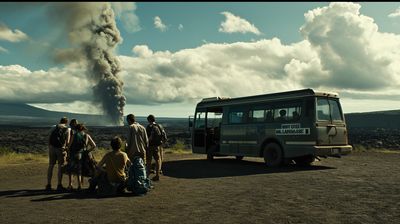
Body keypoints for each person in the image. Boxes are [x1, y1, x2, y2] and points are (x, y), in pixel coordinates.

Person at [67, 123, 96, 190]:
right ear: (83, 128)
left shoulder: (74, 135)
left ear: (76, 129)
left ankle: (70, 185)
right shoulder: (87, 135)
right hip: (83, 155)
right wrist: (87, 151)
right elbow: (94, 145)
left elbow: (69, 146)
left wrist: (68, 153)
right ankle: (80, 185)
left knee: (71, 170)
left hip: (74, 154)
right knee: (79, 170)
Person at [46, 117, 71, 192]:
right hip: (61, 149)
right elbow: (68, 141)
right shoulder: (68, 129)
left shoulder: (54, 127)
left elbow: (49, 138)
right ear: (66, 122)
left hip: (52, 148)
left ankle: (48, 185)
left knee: (51, 166)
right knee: (60, 167)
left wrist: (50, 147)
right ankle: (59, 185)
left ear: (60, 121)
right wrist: (66, 149)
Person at [146, 114, 165, 181]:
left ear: (149, 120)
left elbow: (148, 137)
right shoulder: (160, 126)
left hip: (151, 146)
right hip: (158, 146)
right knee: (157, 160)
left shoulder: (149, 127)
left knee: (149, 161)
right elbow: (164, 136)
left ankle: (147, 176)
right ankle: (157, 175)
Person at [66, 118, 78, 190]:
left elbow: (68, 143)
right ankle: (76, 184)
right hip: (76, 152)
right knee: (76, 168)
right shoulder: (74, 131)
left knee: (71, 168)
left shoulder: (70, 130)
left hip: (72, 151)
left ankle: (71, 184)